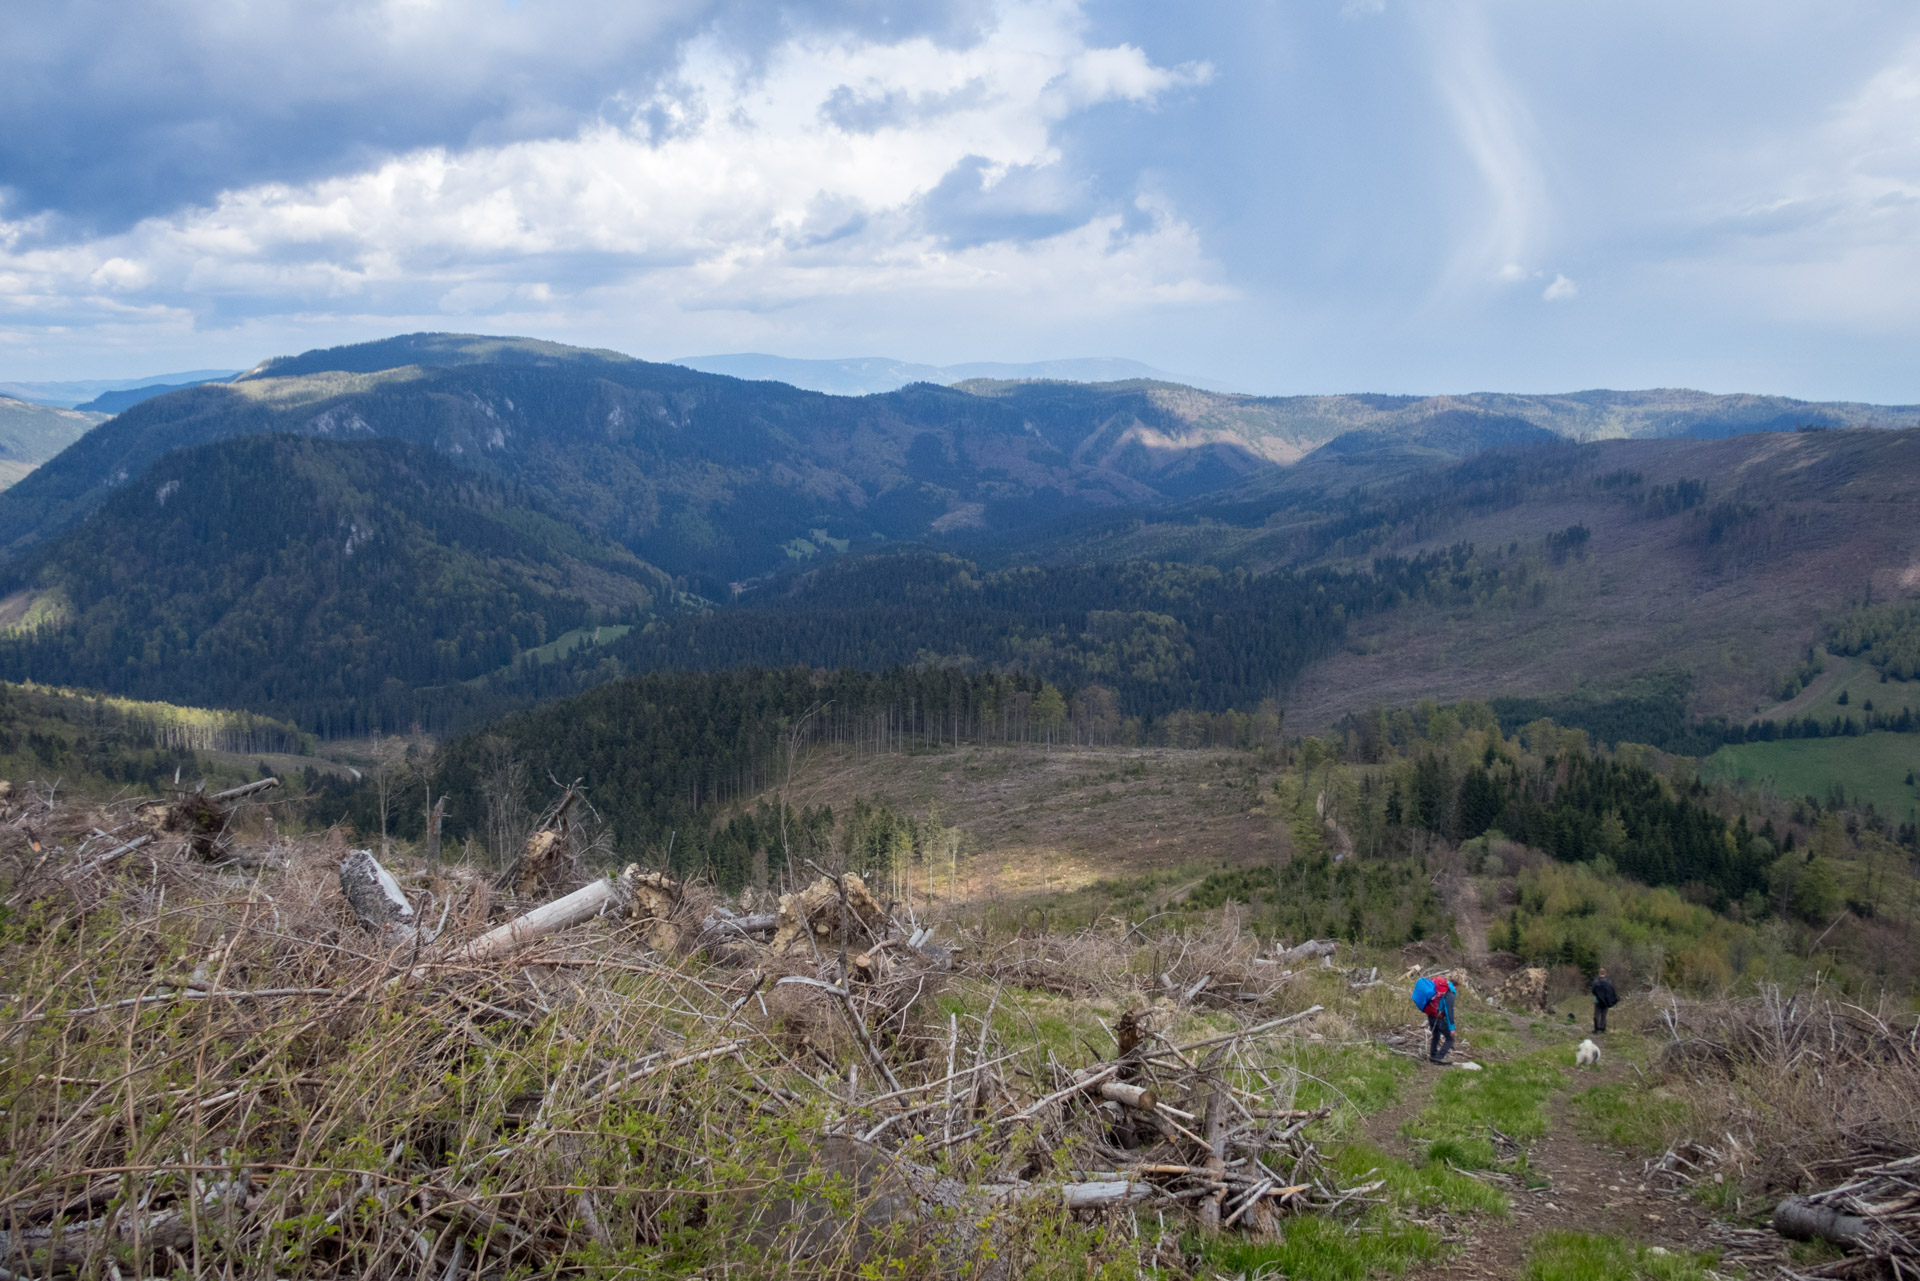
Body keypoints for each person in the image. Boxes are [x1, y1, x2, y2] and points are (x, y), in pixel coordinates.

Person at [1411, 975, 1455, 1063]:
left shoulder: (1440, 987)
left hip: (1431, 1014)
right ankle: (1439, 1057)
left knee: (1436, 1035)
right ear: (1458, 985)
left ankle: (1433, 1055)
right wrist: (1452, 1028)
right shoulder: (1450, 994)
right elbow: (1449, 1012)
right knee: (1450, 1038)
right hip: (1438, 1017)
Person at [1591, 967, 1619, 1033]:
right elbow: (1611, 991)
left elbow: (1593, 991)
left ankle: (1596, 1029)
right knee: (1604, 1015)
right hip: (1605, 1001)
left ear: (1599, 973)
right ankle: (1602, 1028)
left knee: (1596, 1014)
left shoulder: (1595, 982)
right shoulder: (1609, 982)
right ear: (1605, 973)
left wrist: (1598, 996)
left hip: (1597, 1001)